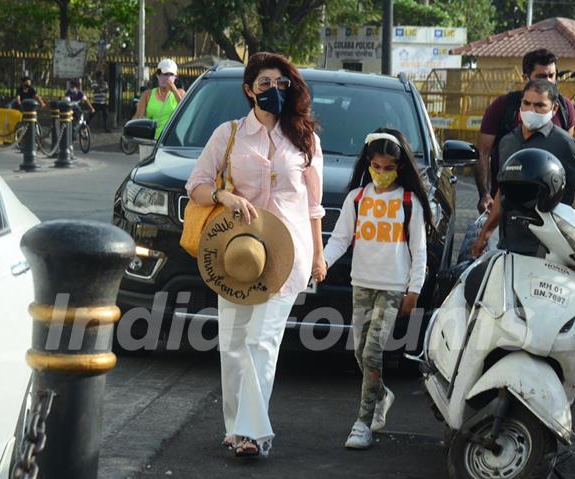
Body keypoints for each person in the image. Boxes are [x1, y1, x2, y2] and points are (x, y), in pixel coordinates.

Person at [185, 52, 325, 457]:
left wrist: (319, 255)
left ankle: (252, 434)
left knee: (261, 340)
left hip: (286, 255)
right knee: (233, 343)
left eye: (281, 84)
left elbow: (314, 206)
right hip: (236, 255)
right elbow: (196, 183)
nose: (274, 91)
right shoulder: (228, 134)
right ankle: (234, 429)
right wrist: (222, 195)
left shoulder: (305, 139)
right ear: (249, 90)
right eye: (265, 84)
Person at [321, 128, 431, 449]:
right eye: (376, 167)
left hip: (393, 287)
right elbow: (340, 239)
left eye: (389, 168)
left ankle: (363, 422)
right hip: (362, 283)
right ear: (368, 164)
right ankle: (381, 394)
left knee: (372, 351)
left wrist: (415, 288)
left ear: (400, 167)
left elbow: (419, 249)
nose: (382, 174)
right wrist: (322, 264)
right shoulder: (357, 198)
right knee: (360, 351)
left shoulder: (409, 202)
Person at [471, 79, 575, 258]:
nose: (531, 110)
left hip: (551, 248)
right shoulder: (508, 142)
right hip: (510, 244)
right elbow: (503, 192)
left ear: (554, 109)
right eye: (526, 103)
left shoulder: (565, 144)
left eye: (540, 105)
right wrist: (484, 235)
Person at [475, 48, 575, 213]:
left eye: (552, 76)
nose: (548, 82)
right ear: (525, 78)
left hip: (552, 206)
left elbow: (566, 155)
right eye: (541, 77)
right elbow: (483, 153)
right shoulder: (503, 106)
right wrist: (485, 194)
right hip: (507, 204)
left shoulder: (565, 108)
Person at [134, 58, 186, 139]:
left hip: (170, 142)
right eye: (164, 74)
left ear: (175, 77)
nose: (167, 77)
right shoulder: (147, 95)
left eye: (171, 74)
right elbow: (138, 119)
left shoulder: (180, 93)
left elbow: (186, 112)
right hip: (150, 141)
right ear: (158, 75)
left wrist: (174, 90)